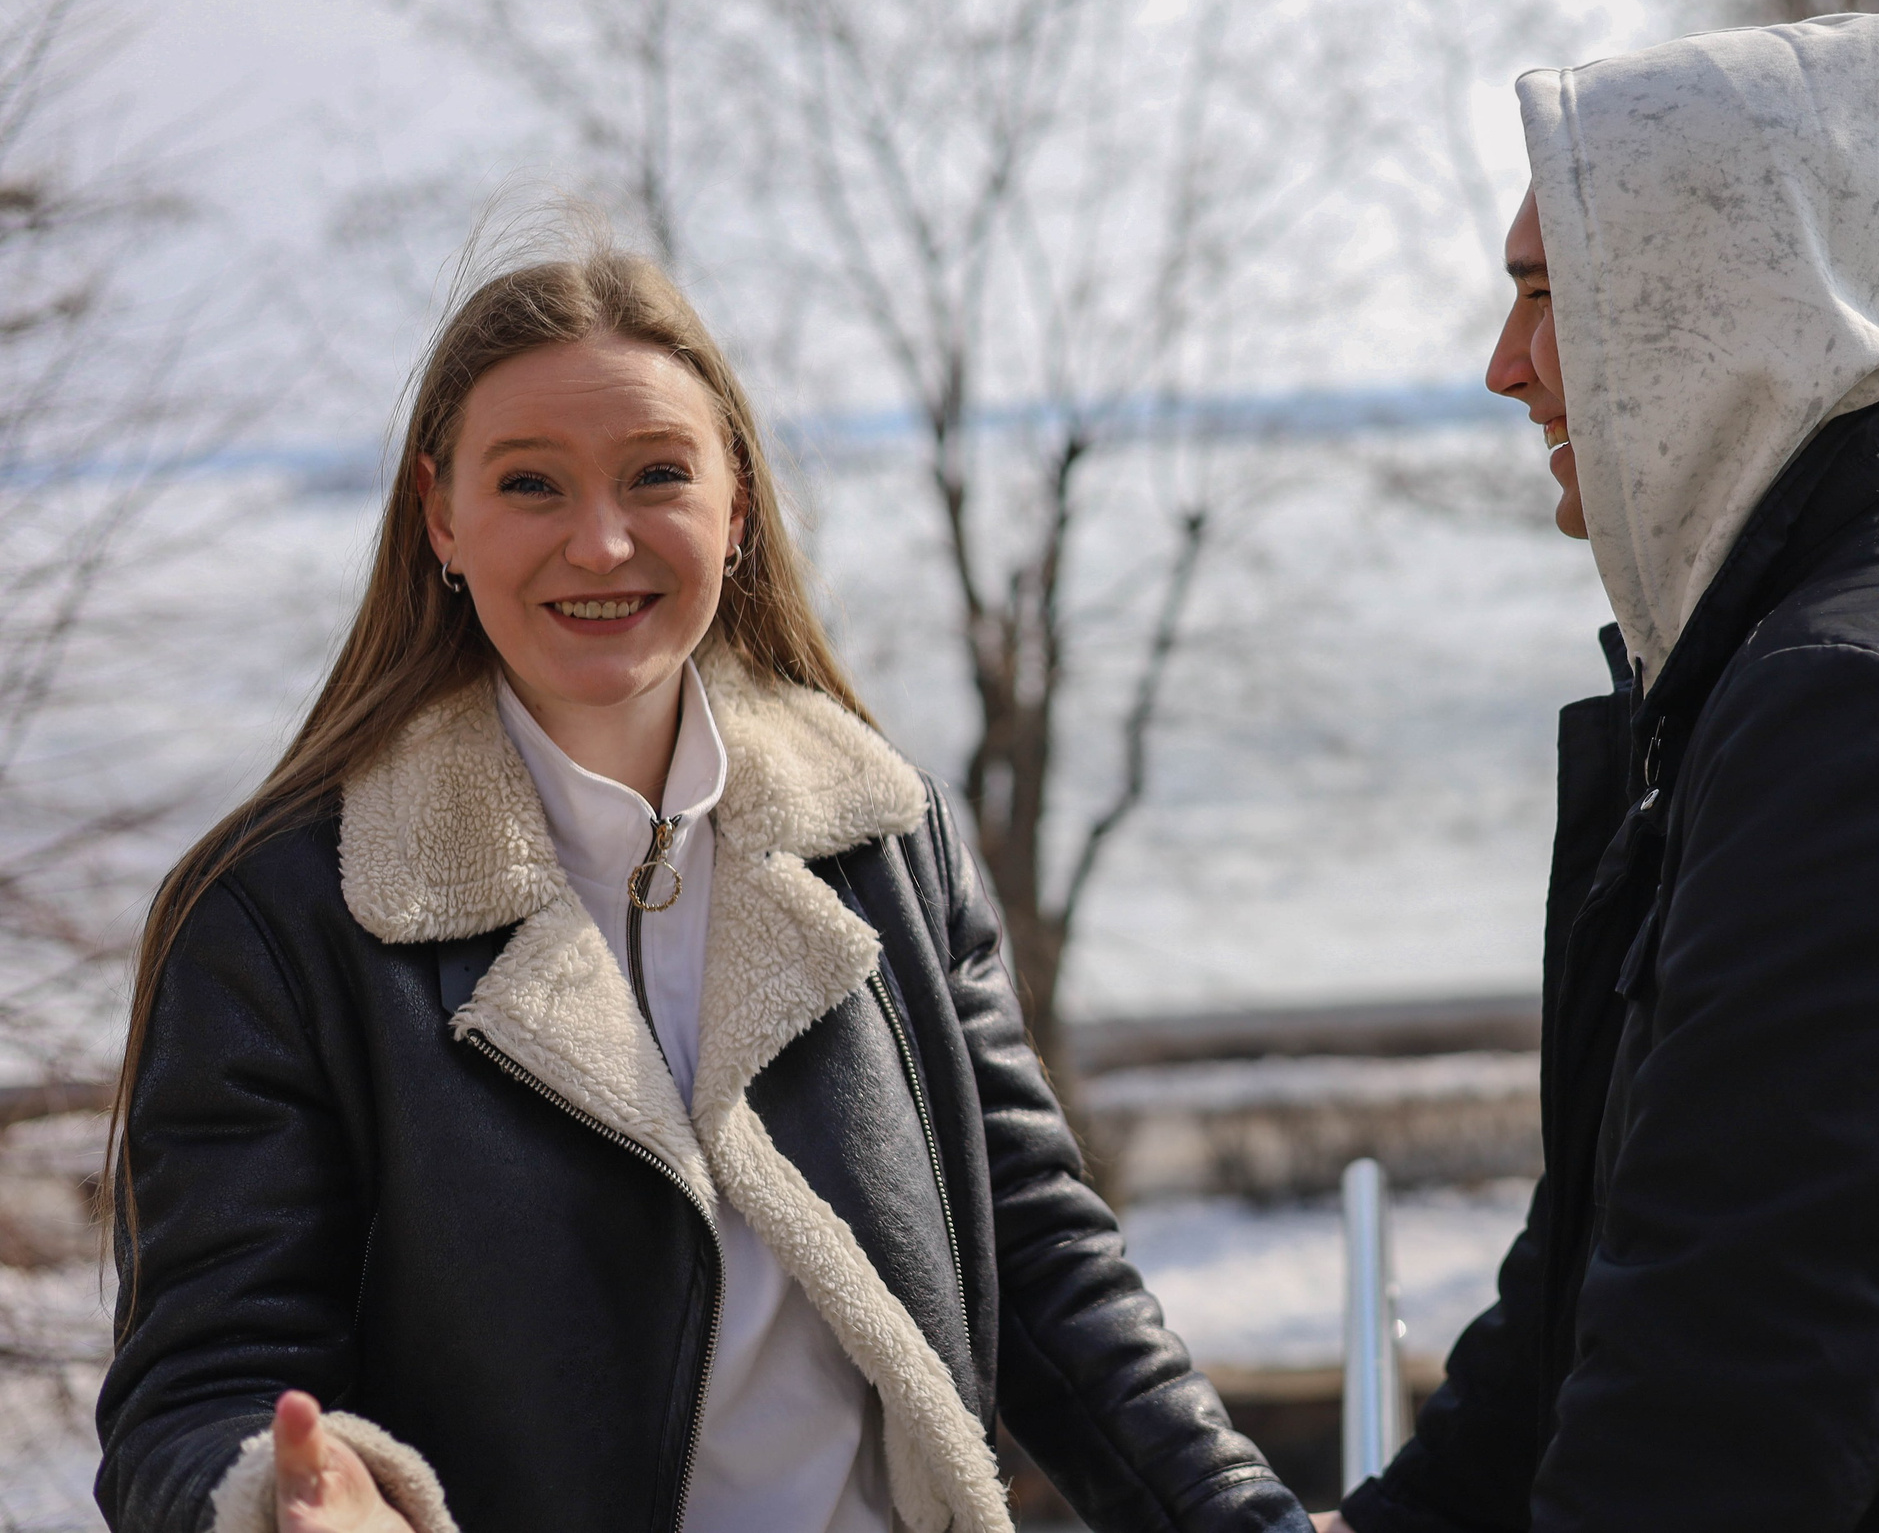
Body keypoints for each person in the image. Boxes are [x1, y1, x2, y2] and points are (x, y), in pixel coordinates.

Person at [96, 240, 1312, 1533]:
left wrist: (1246, 1517)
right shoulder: (274, 920)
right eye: (530, 483)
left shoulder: (886, 839)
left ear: (737, 509)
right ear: (439, 515)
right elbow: (197, 1396)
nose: (601, 542)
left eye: (658, 475)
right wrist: (290, 1501)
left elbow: (1043, 1263)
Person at [1324, 16, 1879, 1530]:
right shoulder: (1878, 614)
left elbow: (1728, 1413)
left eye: (1550, 295)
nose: (1506, 368)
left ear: (1716, 301)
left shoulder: (1859, 717)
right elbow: (1631, 1227)